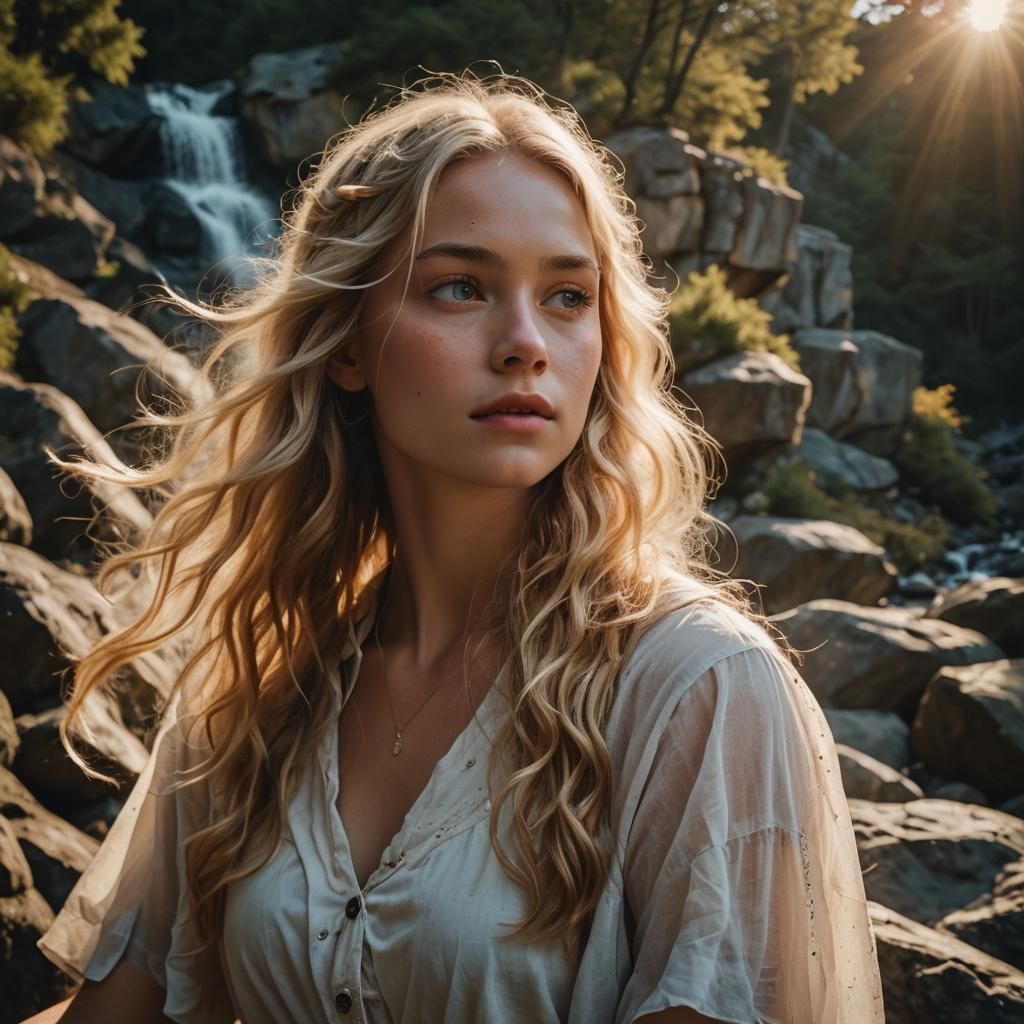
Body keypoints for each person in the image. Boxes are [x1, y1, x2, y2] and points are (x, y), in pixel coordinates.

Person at [24, 70, 884, 1024]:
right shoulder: (267, 679)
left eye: (567, 296)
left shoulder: (700, 689)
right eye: (461, 287)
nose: (525, 343)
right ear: (346, 345)